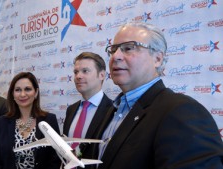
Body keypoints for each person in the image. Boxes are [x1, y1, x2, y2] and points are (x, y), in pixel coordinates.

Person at [97, 22, 223, 169]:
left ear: (157, 59)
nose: (116, 56)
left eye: (129, 48)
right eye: (113, 50)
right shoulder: (112, 110)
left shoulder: (182, 111)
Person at [0, 72, 61, 169]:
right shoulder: (2, 122)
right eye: (18, 90)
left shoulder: (49, 120)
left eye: (27, 89)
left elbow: (55, 159)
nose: (22, 94)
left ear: (36, 92)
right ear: (13, 94)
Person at [63, 52, 112, 167]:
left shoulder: (113, 111)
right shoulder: (71, 110)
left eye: (85, 71)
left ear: (101, 75)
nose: (78, 76)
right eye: (76, 72)